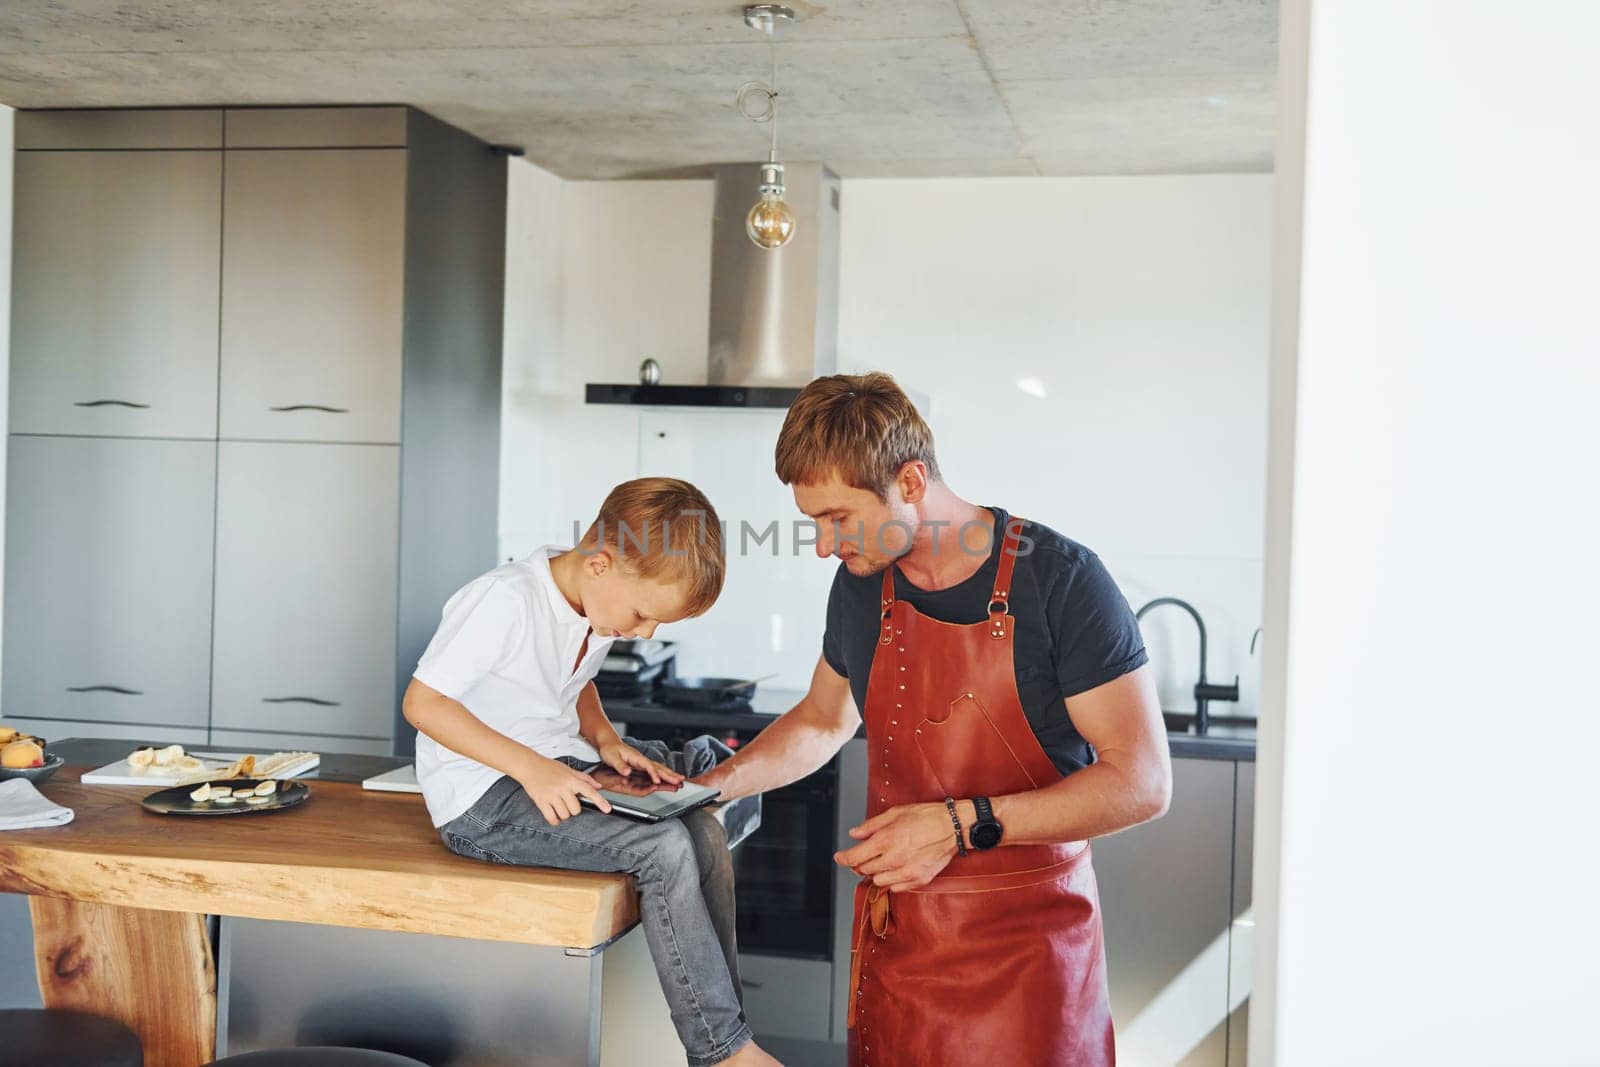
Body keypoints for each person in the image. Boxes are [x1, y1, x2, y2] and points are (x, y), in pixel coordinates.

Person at [693, 373, 1172, 1066]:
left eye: (838, 518)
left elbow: (1143, 780)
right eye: (813, 522)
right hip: (902, 958)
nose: (825, 546)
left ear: (911, 482)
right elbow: (823, 720)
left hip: (1029, 964)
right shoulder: (861, 585)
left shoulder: (1061, 581)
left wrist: (958, 823)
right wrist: (711, 787)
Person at [402, 477, 780, 1067]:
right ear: (601, 563)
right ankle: (722, 1052)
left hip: (558, 764)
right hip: (483, 799)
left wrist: (605, 740)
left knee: (701, 821)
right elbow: (423, 705)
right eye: (641, 616)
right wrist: (534, 769)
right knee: (664, 849)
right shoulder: (503, 600)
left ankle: (730, 1029)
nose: (644, 633)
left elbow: (576, 679)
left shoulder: (589, 597)